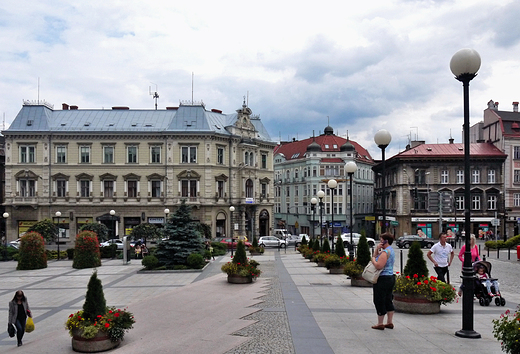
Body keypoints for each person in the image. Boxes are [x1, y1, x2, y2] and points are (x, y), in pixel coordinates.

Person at [370, 232, 395, 330]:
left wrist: (373, 259)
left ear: (386, 241)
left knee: (379, 300)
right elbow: (377, 255)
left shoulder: (385, 253)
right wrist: (377, 249)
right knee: (388, 299)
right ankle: (389, 322)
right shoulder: (390, 250)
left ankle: (380, 323)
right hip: (390, 277)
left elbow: (379, 265)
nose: (380, 242)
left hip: (382, 278)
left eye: (381, 241)